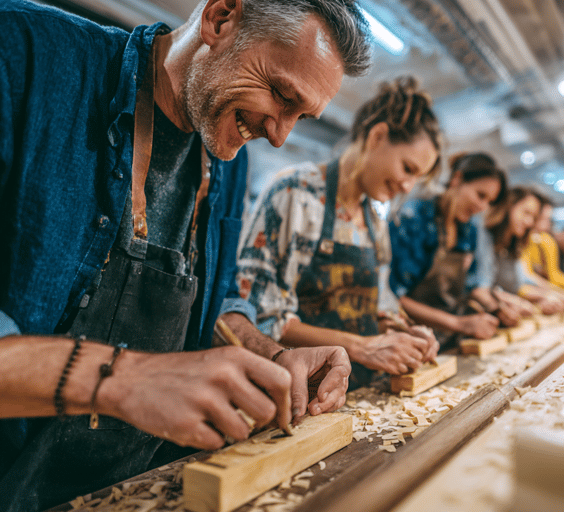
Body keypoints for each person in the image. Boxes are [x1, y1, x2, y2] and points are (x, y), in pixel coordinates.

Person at [0, 0, 371, 509]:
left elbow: (214, 305)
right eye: (282, 95)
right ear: (220, 19)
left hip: (140, 490)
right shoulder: (24, 53)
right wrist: (123, 379)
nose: (281, 136)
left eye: (301, 116)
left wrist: (275, 357)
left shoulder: (226, 153)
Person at [237, 76, 441, 386]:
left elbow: (380, 304)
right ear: (378, 136)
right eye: (408, 169)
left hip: (359, 390)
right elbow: (260, 317)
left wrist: (403, 331)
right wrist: (361, 346)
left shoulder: (373, 220)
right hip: (298, 391)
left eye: (417, 178)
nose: (407, 186)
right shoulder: (295, 193)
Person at [388, 152, 508, 344]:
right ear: (457, 179)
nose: (483, 207)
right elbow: (394, 295)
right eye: (480, 195)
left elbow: (471, 286)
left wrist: (497, 308)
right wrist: (458, 324)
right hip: (411, 338)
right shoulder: (414, 217)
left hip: (449, 337)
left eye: (489, 201)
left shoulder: (468, 229)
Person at [474, 186, 564, 316]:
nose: (529, 222)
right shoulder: (483, 237)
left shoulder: (514, 246)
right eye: (526, 213)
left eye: (534, 217)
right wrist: (514, 303)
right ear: (509, 206)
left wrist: (551, 294)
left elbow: (520, 282)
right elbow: (479, 288)